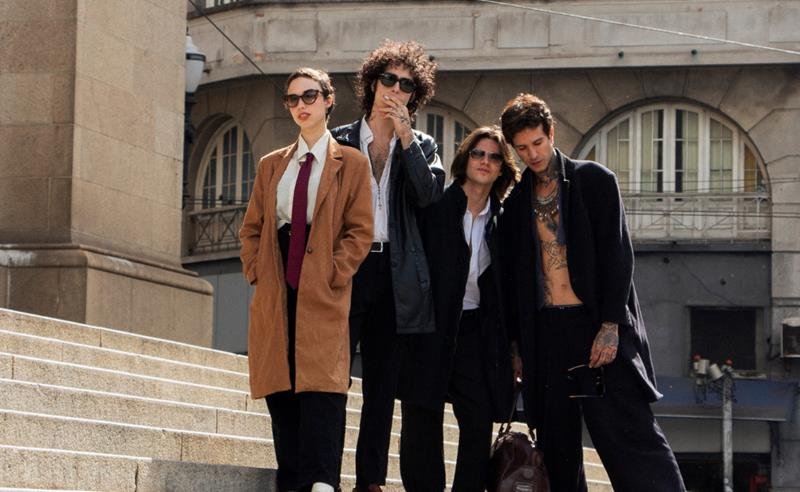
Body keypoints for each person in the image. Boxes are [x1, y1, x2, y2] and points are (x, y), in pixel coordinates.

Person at [498, 93, 686, 492]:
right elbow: (513, 282)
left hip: (596, 324)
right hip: (546, 334)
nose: (532, 154)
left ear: (551, 133)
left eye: (537, 143)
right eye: (522, 148)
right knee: (557, 449)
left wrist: (611, 325)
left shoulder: (594, 180)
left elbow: (619, 255)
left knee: (630, 436)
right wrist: (517, 345)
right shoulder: (514, 203)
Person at [239, 68, 373, 492]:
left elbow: (360, 230)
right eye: (293, 99)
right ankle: (293, 480)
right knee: (281, 385)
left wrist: (335, 272)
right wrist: (257, 270)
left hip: (322, 284)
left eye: (310, 96)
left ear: (329, 100)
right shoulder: (271, 165)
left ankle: (322, 480)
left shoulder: (352, 162)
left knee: (322, 385)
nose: (301, 105)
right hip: (278, 281)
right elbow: (252, 228)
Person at [331, 40, 444, 491]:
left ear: (415, 95)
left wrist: (406, 138)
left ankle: (370, 481)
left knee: (381, 386)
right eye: (389, 79)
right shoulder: (340, 139)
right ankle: (324, 473)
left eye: (406, 85)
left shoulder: (423, 145)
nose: (396, 89)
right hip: (347, 268)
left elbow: (428, 196)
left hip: (395, 274)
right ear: (372, 83)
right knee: (332, 376)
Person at [397, 126, 519, 491]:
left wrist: (514, 347)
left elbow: (508, 289)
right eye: (478, 154)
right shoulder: (436, 206)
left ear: (502, 168)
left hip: (476, 332)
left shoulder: (503, 220)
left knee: (478, 420)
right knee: (422, 416)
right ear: (465, 159)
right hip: (430, 326)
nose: (485, 162)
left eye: (494, 157)